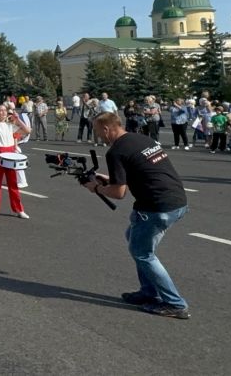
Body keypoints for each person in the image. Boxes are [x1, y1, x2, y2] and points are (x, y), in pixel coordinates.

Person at [86, 112, 190, 319]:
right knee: (134, 238)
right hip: (177, 200)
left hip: (156, 207)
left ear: (106, 129)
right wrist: (109, 180)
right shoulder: (142, 139)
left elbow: (119, 193)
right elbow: (140, 173)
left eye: (97, 131)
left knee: (142, 253)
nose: (98, 136)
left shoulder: (115, 152)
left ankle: (175, 304)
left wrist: (96, 188)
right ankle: (148, 292)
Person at [0, 104, 31, 220]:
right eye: (0, 110)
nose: (3, 112)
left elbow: (27, 130)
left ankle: (19, 209)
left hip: (10, 154)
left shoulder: (10, 126)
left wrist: (18, 119)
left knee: (13, 183)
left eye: (4, 110)